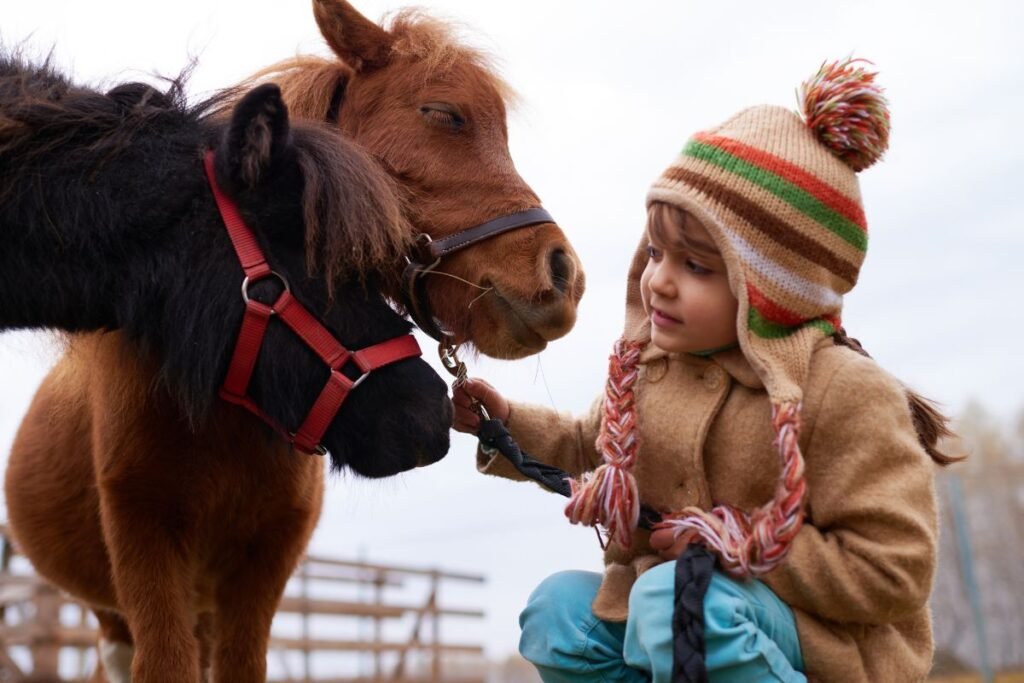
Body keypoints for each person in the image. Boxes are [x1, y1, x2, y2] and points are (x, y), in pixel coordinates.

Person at [453, 58, 958, 683]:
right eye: (656, 253)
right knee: (558, 612)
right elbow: (586, 443)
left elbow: (894, 569)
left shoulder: (843, 392)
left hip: (818, 644)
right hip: (669, 616)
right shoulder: (651, 371)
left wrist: (735, 544)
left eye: (695, 266)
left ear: (773, 286)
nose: (659, 281)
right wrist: (502, 424)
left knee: (672, 599)